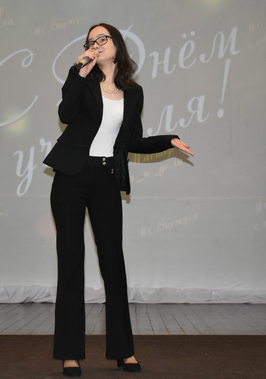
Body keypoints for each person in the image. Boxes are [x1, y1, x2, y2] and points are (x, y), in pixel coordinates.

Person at [43, 23, 194, 377]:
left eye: (103, 39)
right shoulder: (80, 78)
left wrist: (168, 141)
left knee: (114, 264)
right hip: (70, 178)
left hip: (106, 179)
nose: (96, 44)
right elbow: (65, 114)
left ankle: (123, 350)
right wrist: (80, 70)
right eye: (91, 41)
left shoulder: (133, 92)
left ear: (117, 44)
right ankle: (69, 353)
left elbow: (133, 142)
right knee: (71, 263)